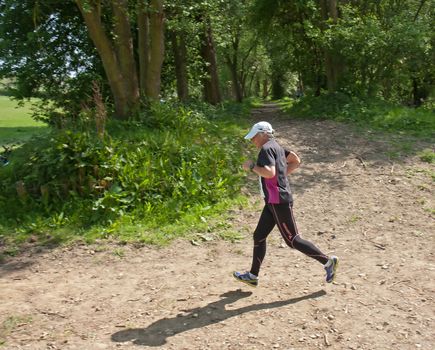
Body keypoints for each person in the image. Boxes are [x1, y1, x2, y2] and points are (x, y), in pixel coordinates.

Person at [233, 121, 338, 287]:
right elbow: (295, 160)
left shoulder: (266, 149)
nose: (252, 141)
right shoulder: (278, 147)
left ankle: (327, 262)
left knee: (293, 239)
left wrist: (252, 166)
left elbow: (269, 172)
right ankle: (253, 275)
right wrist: (281, 177)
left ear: (262, 134)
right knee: (259, 236)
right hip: (272, 202)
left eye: (254, 137)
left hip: (278, 201)